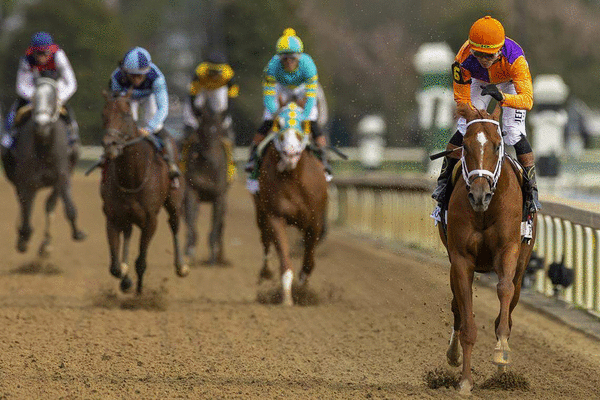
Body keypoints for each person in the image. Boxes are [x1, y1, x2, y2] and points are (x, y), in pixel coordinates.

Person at [432, 15, 541, 214]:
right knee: (465, 127)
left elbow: (527, 100)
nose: (483, 60)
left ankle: (531, 190)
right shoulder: (463, 59)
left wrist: (502, 97)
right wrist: (475, 115)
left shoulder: (516, 59)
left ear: (499, 50)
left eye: (488, 56)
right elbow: (462, 100)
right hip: (478, 81)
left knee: (513, 132)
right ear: (471, 49)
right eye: (478, 54)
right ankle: (443, 182)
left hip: (509, 83)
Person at [245, 28, 331, 180]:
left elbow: (312, 97)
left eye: (292, 58)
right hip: (281, 88)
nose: (288, 62)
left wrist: (305, 116)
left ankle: (324, 158)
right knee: (267, 121)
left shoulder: (308, 64)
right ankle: (253, 156)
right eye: (284, 58)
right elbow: (268, 98)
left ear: (299, 57)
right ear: (279, 58)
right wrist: (277, 114)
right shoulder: (272, 66)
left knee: (313, 122)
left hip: (303, 88)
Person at [110, 46, 180, 179]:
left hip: (149, 97)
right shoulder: (116, 77)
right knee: (124, 125)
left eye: (140, 75)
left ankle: (171, 164)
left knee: (156, 125)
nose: (136, 79)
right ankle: (106, 160)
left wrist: (149, 128)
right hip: (128, 98)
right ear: (125, 71)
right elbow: (116, 106)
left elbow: (163, 108)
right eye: (133, 75)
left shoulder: (157, 77)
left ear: (147, 71)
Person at [2, 31, 79, 152]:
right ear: (33, 51)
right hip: (34, 92)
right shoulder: (26, 59)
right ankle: (9, 138)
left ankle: (73, 138)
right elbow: (21, 85)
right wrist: (35, 96)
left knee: (68, 113)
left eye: (45, 53)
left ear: (50, 50)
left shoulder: (59, 56)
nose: (42, 57)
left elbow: (71, 83)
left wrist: (59, 97)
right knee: (14, 111)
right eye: (38, 53)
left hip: (55, 92)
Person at [181, 50, 238, 179]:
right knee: (190, 122)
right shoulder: (199, 72)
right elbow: (192, 97)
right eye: (212, 72)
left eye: (218, 72)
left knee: (226, 126)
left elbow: (231, 99)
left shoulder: (228, 74)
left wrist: (224, 117)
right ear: (207, 68)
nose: (215, 75)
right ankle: (183, 163)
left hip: (218, 91)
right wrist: (196, 117)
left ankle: (230, 165)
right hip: (201, 89)